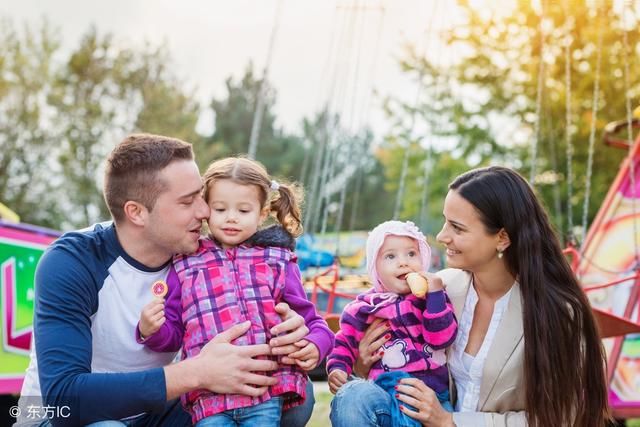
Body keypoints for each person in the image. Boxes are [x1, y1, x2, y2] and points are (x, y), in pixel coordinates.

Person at [15, 134, 316, 427]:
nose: (205, 210)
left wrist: (290, 331)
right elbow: (62, 400)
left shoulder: (200, 257)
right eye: (187, 202)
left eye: (201, 195)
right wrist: (196, 372)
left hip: (152, 412)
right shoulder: (71, 261)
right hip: (51, 417)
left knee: (286, 393)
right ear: (137, 213)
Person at [330, 166, 611, 427]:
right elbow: (402, 359)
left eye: (458, 228)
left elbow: (562, 417)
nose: (442, 236)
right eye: (445, 222)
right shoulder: (440, 289)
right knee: (353, 397)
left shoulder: (557, 311)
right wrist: (362, 364)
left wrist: (451, 421)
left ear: (502, 238)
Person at [136, 156, 334, 426]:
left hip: (264, 392)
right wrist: (152, 330)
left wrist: (315, 344)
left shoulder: (277, 260)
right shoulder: (185, 263)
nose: (231, 218)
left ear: (262, 213)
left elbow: (312, 321)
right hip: (209, 400)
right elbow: (174, 335)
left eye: (243, 211)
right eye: (220, 209)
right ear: (206, 208)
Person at [326, 220, 457, 425]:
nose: (403, 262)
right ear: (375, 268)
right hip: (385, 394)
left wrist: (435, 297)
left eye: (411, 254)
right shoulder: (363, 308)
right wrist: (337, 368)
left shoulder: (432, 299)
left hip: (432, 396)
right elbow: (344, 342)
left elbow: (442, 339)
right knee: (353, 396)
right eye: (390, 256)